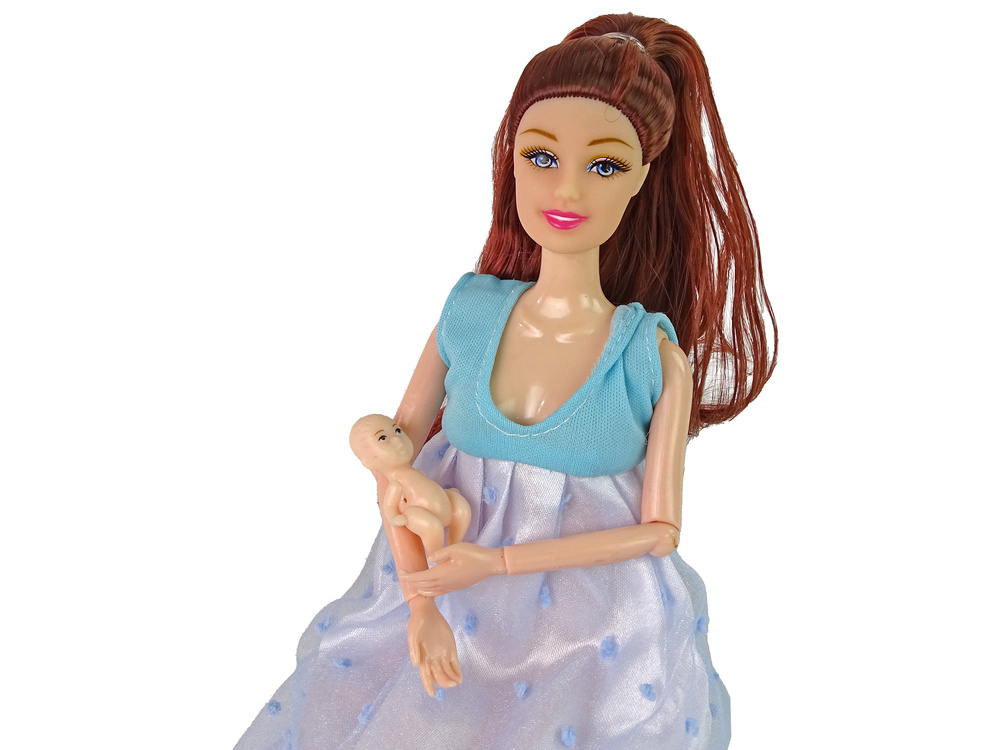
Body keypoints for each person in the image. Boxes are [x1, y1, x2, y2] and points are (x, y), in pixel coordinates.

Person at [236, 13, 776, 750]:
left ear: (642, 180)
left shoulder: (651, 356)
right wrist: (420, 599)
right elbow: (397, 463)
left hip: (591, 640)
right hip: (443, 615)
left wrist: (498, 561)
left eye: (605, 167)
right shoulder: (469, 312)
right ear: (510, 161)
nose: (568, 188)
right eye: (541, 157)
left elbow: (660, 532)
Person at [349, 414, 472, 555]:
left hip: (446, 506)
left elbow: (429, 488)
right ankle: (436, 554)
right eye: (383, 438)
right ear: (369, 461)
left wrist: (447, 495)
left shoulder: (417, 471)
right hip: (421, 514)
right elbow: (389, 505)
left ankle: (456, 542)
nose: (397, 439)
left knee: (462, 507)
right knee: (432, 527)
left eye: (397, 431)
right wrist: (394, 517)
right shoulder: (396, 484)